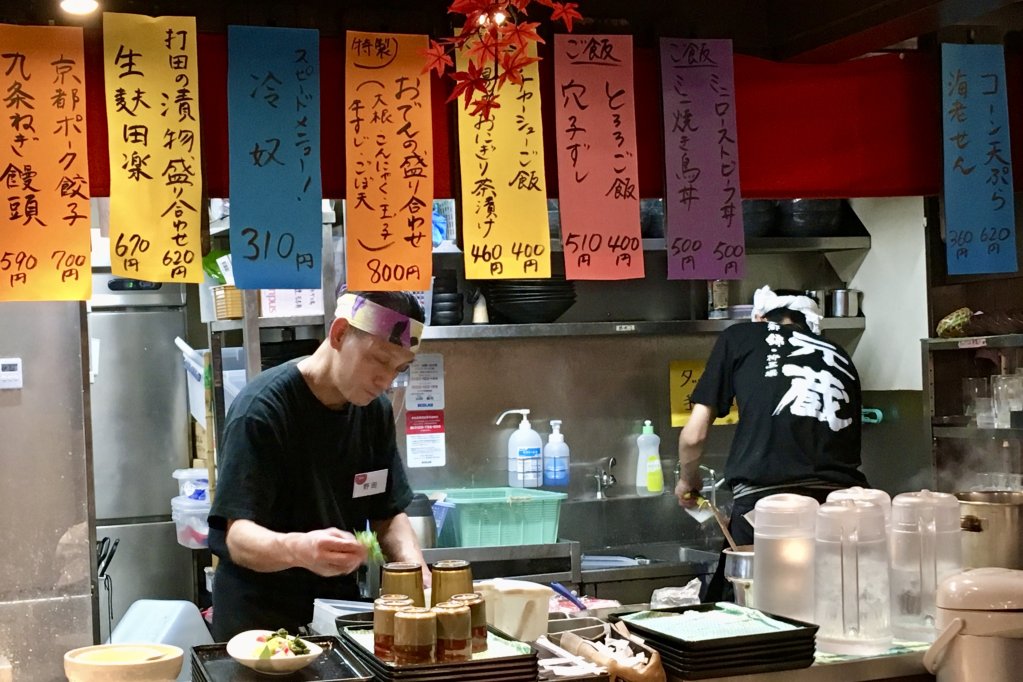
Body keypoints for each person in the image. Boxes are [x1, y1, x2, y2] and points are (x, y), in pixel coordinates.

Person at [208, 290, 429, 641]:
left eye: (398, 369)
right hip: (260, 624)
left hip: (337, 614)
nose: (386, 381)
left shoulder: (374, 411)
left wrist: (417, 576)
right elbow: (238, 538)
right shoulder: (262, 411)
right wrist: (301, 549)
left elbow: (388, 513)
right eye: (379, 360)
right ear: (339, 333)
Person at [675, 285, 868, 600]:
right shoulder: (839, 355)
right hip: (845, 510)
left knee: (748, 618)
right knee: (836, 613)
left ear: (761, 317)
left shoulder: (740, 337)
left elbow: (693, 435)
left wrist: (687, 479)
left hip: (767, 512)